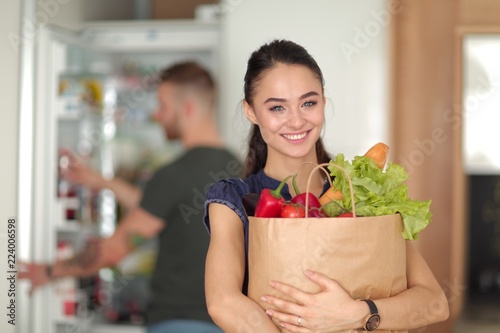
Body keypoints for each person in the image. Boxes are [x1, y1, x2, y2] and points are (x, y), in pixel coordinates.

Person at [203, 40, 450, 332]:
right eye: (277, 108)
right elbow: (223, 302)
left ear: (323, 102)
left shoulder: (359, 192)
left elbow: (435, 303)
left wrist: (359, 314)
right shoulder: (233, 200)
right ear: (252, 112)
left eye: (309, 103)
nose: (296, 121)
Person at [19, 61, 242, 333]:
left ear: (187, 109)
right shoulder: (238, 168)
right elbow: (165, 209)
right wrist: (97, 181)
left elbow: (113, 251)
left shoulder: (174, 174)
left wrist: (49, 271)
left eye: (162, 105)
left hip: (178, 323)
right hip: (228, 323)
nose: (157, 115)